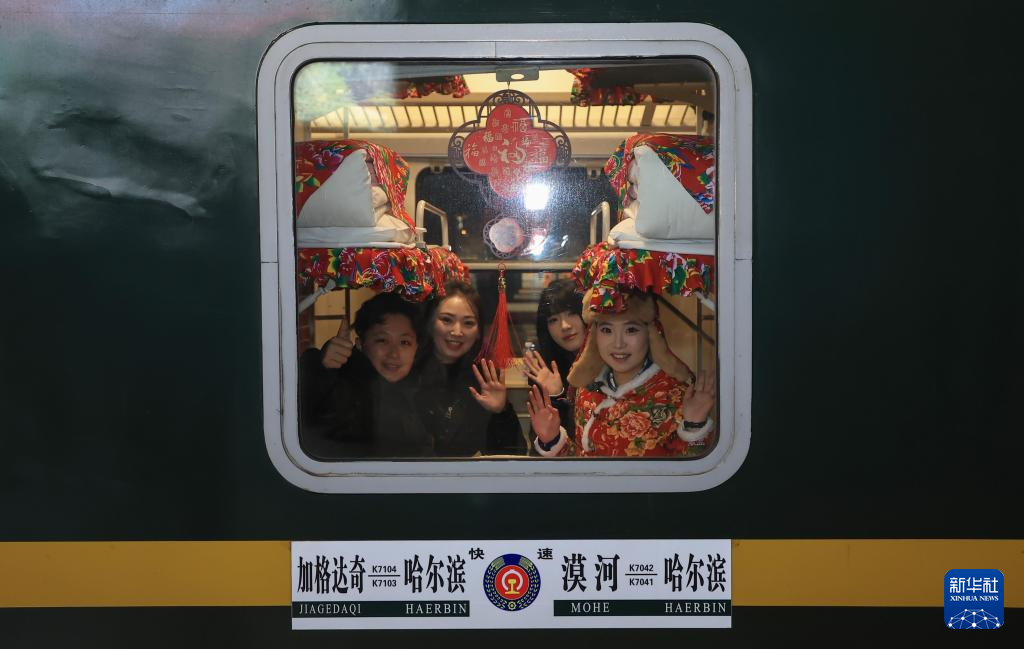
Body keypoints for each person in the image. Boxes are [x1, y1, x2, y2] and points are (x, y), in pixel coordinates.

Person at [528, 290, 716, 457]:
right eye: (607, 330)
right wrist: (552, 439)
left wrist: (694, 425)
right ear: (594, 335)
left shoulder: (675, 395)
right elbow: (581, 464)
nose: (618, 344)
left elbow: (690, 476)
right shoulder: (587, 390)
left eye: (631, 330)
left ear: (650, 333)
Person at [299, 292, 430, 458]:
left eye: (404, 342)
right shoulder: (344, 386)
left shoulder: (419, 391)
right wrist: (323, 370)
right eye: (382, 340)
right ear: (360, 344)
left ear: (415, 348)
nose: (394, 354)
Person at [414, 279, 526, 456]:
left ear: (478, 332)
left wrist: (500, 412)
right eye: (446, 320)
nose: (457, 331)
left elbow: (515, 454)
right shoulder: (409, 371)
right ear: (430, 323)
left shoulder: (485, 377)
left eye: (468, 323)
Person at [521, 278, 585, 452]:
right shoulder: (546, 371)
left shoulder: (612, 362)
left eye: (571, 313)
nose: (564, 326)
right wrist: (556, 398)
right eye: (553, 320)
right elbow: (539, 449)